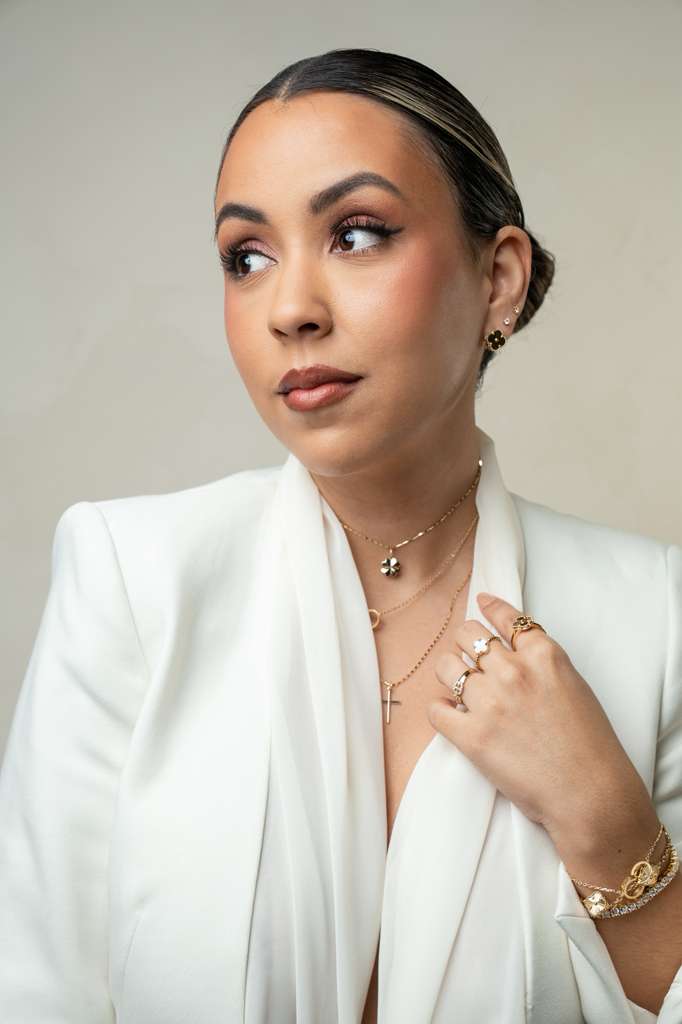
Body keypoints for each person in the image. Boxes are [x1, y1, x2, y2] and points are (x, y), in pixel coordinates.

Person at [0, 47, 680, 1024]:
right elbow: (36, 993)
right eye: (247, 257)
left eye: (356, 235)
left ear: (498, 278)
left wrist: (611, 828)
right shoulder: (136, 581)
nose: (290, 310)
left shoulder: (656, 615)